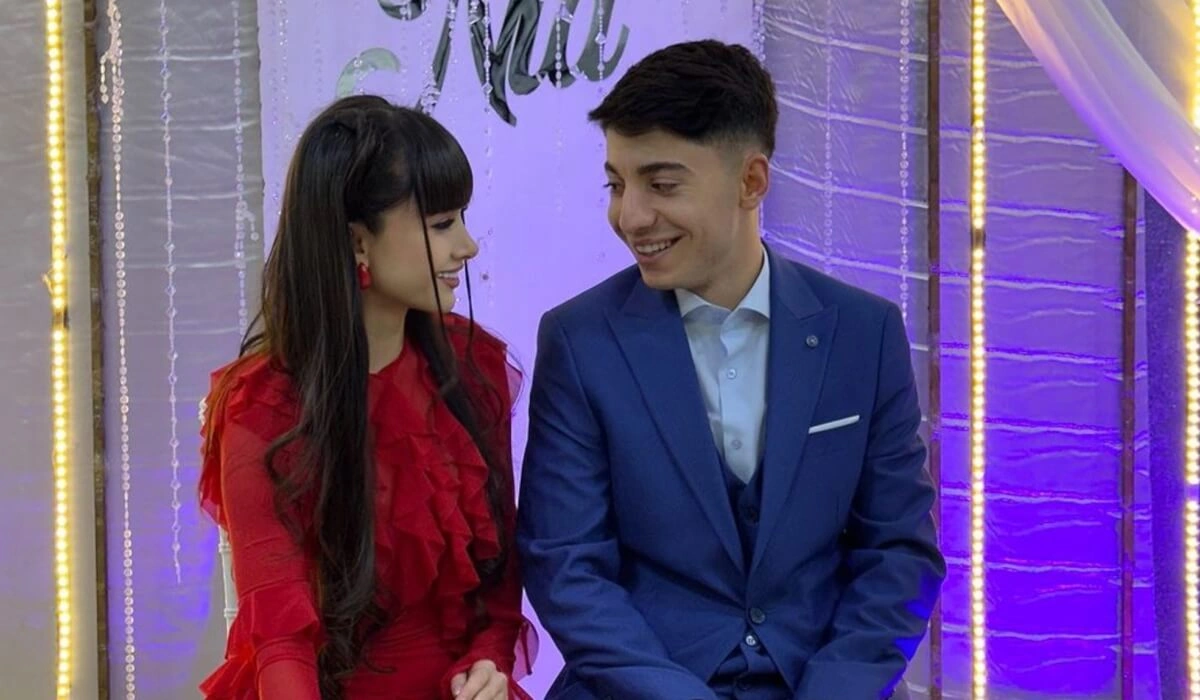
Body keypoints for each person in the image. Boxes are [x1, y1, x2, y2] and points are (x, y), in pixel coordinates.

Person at [517, 40, 945, 700]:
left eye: (661, 185)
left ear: (751, 182)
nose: (630, 217)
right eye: (617, 184)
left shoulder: (865, 333)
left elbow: (898, 554)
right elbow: (566, 565)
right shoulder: (580, 340)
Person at [197, 95, 534, 700]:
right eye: (441, 224)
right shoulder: (262, 407)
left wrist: (489, 661)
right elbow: (281, 638)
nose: (467, 246)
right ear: (358, 242)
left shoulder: (472, 369)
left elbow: (498, 584)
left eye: (461, 219)